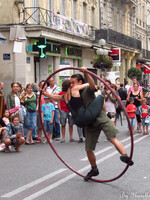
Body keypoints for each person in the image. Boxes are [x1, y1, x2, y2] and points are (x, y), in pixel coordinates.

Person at [43, 67, 134, 181]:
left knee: (112, 138)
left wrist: (87, 73)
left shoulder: (86, 90)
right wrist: (45, 93)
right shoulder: (71, 92)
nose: (71, 85)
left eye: (73, 83)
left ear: (80, 82)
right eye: (70, 83)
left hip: (100, 118)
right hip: (89, 123)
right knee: (89, 149)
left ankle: (124, 155)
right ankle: (94, 169)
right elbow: (58, 97)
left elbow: (91, 85)